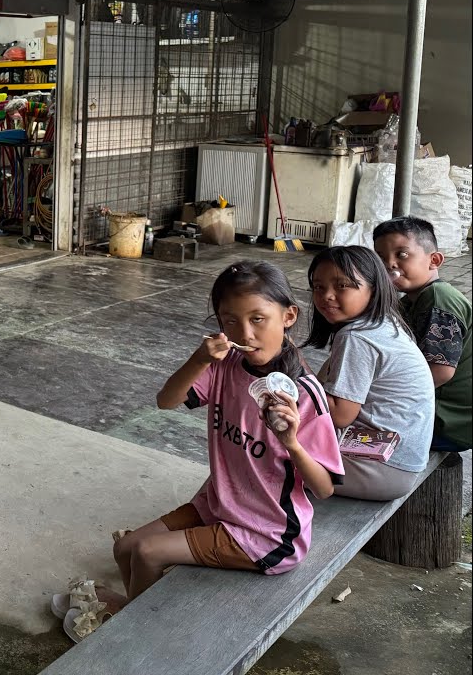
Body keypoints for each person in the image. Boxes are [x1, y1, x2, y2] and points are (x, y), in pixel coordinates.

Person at [53, 262, 342, 643]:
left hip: (267, 534)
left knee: (149, 552)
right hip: (218, 504)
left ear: (288, 316)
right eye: (230, 321)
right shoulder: (226, 366)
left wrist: (291, 442)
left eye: (259, 319)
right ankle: (134, 608)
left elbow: (324, 489)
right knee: (126, 547)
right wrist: (200, 358)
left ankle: (134, 637)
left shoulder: (303, 394)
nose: (245, 334)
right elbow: (166, 400)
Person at [305, 245, 436, 500]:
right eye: (319, 287)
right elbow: (327, 379)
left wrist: (296, 369)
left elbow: (341, 415)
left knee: (264, 449)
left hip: (380, 468)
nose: (326, 296)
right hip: (399, 459)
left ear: (373, 289)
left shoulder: (358, 337)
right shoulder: (383, 321)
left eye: (342, 285)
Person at [373, 216, 471, 452]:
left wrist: (385, 398)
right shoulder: (409, 302)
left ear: (434, 260)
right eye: (380, 258)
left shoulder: (439, 298)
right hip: (443, 415)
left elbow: (440, 372)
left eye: (402, 254)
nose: (390, 265)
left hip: (449, 421)